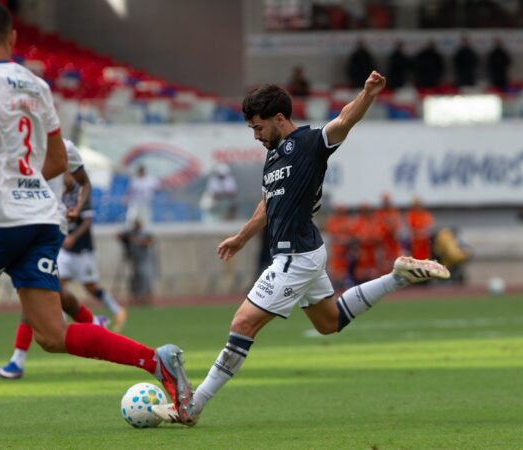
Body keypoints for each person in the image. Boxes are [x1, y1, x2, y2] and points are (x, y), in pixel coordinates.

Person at [0, 4, 192, 448]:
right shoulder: (36, 85)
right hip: (42, 217)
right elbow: (53, 160)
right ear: (12, 39)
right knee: (52, 334)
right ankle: (156, 361)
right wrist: (10, 180)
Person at [153, 73, 449, 426]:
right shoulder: (273, 157)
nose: (256, 135)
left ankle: (192, 405)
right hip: (299, 252)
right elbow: (267, 205)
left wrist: (367, 93)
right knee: (329, 322)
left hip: (296, 255)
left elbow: (344, 121)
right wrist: (241, 237)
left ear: (279, 119)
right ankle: (397, 277)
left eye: (258, 127)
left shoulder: (310, 143)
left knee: (243, 322)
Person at [0, 139, 128, 380]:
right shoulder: (18, 142)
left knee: (31, 293)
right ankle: (93, 322)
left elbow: (81, 182)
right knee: (51, 290)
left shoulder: (59, 147)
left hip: (48, 229)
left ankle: (17, 361)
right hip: (30, 226)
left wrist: (74, 205)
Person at [118, 219, 156, 307]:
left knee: (144, 278)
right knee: (134, 279)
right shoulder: (131, 233)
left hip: (143, 259)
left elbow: (149, 241)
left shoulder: (144, 233)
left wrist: (136, 240)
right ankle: (136, 298)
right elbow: (119, 236)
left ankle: (146, 298)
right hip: (133, 260)